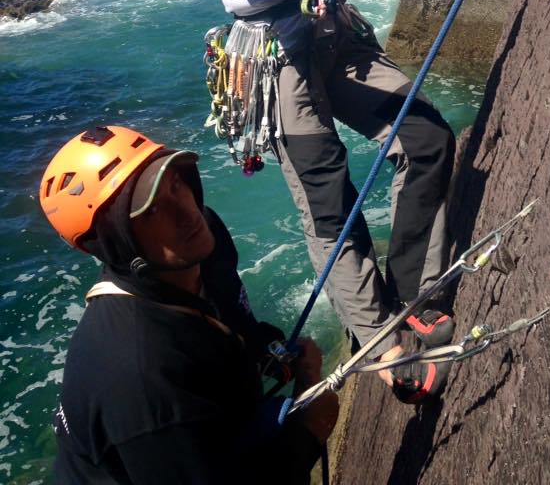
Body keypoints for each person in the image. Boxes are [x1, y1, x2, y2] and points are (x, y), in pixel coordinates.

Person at [202, 0, 491, 403]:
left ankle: (419, 287)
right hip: (274, 55)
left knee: (427, 138)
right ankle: (381, 343)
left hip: (335, 38)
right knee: (329, 199)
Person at [39, 123, 338, 484]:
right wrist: (309, 429)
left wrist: (266, 352)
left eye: (176, 183)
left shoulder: (197, 243)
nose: (185, 211)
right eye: (151, 211)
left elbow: (230, 310)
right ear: (112, 244)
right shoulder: (142, 379)